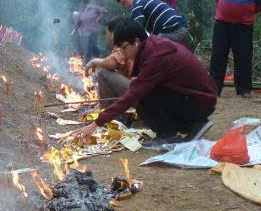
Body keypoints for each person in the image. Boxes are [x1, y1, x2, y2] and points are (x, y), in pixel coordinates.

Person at [71, 20, 217, 149]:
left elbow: (133, 94)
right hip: (194, 98)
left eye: (123, 47)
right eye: (118, 49)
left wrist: (96, 123)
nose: (121, 52)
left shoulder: (156, 55)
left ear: (136, 41)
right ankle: (194, 125)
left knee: (143, 97)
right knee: (143, 94)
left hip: (199, 102)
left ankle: (169, 134)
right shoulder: (151, 46)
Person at [116, 0, 190, 48]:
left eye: (125, 2)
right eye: (123, 5)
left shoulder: (137, 4)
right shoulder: (144, 0)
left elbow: (137, 29)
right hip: (181, 28)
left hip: (173, 30)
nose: (126, 6)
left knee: (151, 49)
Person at [84, 17, 130, 108]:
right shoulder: (129, 43)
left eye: (107, 34)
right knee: (107, 74)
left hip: (140, 95)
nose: (106, 37)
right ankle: (105, 110)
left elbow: (111, 63)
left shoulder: (123, 45)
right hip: (142, 92)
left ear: (113, 35)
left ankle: (106, 111)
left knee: (103, 73)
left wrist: (94, 61)